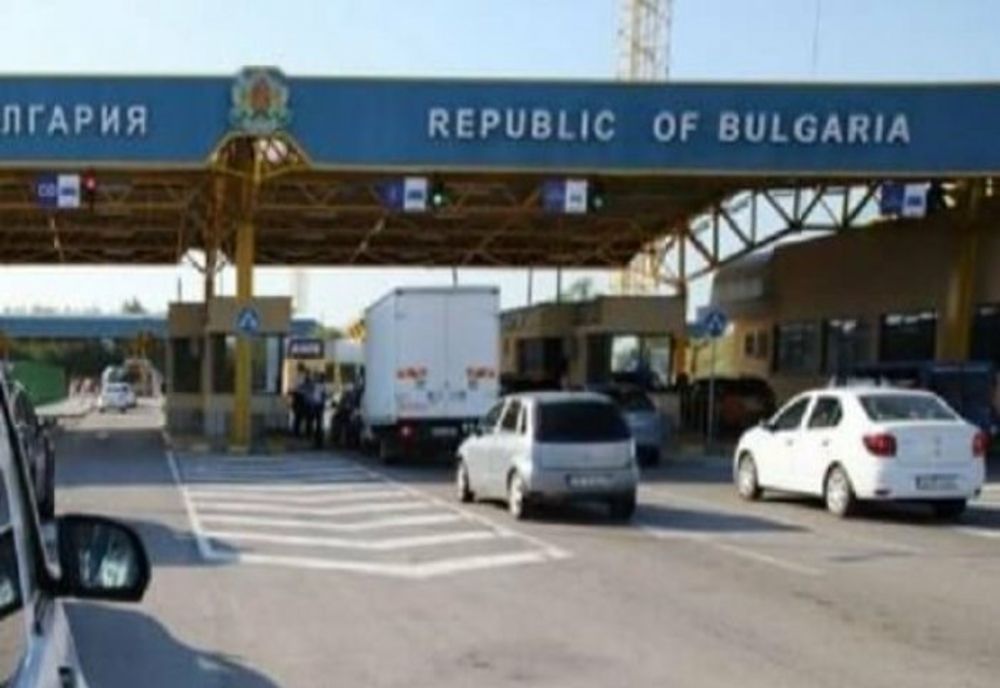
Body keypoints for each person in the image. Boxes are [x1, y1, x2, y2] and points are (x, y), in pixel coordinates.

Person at [308, 373, 328, 449]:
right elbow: (323, 396)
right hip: (318, 406)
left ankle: (317, 441)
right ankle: (318, 441)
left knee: (317, 423)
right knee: (318, 423)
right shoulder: (320, 386)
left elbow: (322, 396)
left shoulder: (318, 386)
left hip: (317, 406)